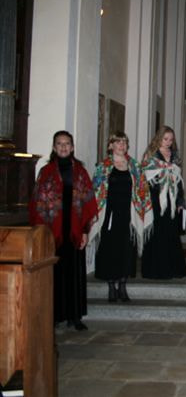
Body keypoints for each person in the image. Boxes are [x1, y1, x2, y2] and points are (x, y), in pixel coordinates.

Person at [29, 131, 98, 330]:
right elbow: (37, 202)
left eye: (67, 143)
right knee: (55, 275)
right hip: (53, 232)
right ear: (54, 147)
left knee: (75, 275)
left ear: (72, 147)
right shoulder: (46, 171)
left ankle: (75, 317)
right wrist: (42, 232)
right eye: (59, 144)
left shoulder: (80, 171)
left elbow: (87, 201)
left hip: (74, 230)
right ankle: (55, 316)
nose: (63, 147)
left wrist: (85, 230)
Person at [90, 132, 152, 302]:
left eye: (124, 142)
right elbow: (95, 190)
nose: (121, 145)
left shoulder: (134, 166)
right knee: (110, 250)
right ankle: (111, 286)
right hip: (109, 215)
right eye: (118, 142)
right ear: (111, 145)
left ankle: (123, 286)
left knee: (127, 250)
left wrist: (142, 208)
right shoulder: (103, 167)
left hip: (128, 215)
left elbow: (143, 189)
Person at [140, 126, 186, 279]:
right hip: (156, 199)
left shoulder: (175, 156)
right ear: (159, 139)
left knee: (171, 233)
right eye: (165, 139)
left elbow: (179, 181)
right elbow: (144, 179)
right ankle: (156, 269)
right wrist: (163, 176)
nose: (168, 142)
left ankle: (173, 268)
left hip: (172, 200)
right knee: (157, 233)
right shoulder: (151, 155)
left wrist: (180, 202)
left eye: (171, 139)